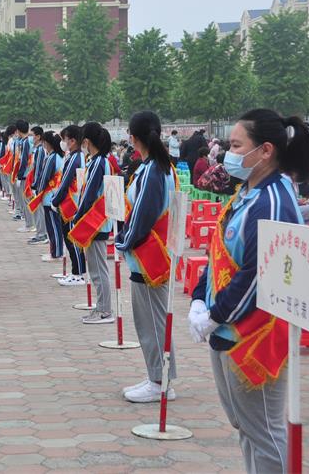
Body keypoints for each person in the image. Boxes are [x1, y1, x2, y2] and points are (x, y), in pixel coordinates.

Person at [188, 109, 309, 474]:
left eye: (236, 146)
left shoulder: (272, 201)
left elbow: (258, 274)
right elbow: (218, 249)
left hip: (253, 335)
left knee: (265, 433)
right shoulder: (247, 192)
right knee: (247, 427)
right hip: (227, 329)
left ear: (265, 151)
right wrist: (199, 297)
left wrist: (214, 315)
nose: (228, 154)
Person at [115, 111, 178, 403]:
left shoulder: (154, 170)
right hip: (150, 254)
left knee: (152, 323)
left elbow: (142, 216)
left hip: (148, 256)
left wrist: (123, 242)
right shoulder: (157, 167)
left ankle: (159, 381)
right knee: (154, 321)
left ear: (133, 137)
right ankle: (158, 375)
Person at [70, 123, 115, 323]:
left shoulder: (99, 163)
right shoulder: (97, 161)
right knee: (97, 269)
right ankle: (101, 307)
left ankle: (104, 310)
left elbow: (89, 195)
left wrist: (77, 217)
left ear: (87, 141)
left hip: (95, 222)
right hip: (95, 222)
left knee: (98, 270)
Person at [51, 125, 88, 285]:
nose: (63, 142)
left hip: (71, 204)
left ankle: (78, 274)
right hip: (70, 202)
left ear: (72, 141)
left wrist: (55, 201)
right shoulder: (74, 156)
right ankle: (75, 272)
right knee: (69, 240)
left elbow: (65, 182)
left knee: (72, 240)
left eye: (65, 139)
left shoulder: (75, 158)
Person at [32, 131, 64, 263]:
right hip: (54, 195)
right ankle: (54, 251)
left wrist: (37, 190)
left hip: (49, 196)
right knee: (53, 226)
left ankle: (56, 253)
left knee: (53, 227)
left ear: (48, 143)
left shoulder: (52, 158)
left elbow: (44, 177)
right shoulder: (58, 156)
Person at [27, 127, 48, 245]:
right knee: (38, 210)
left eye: (33, 135)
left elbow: (39, 169)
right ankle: (40, 232)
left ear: (39, 136)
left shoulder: (40, 150)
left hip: (38, 185)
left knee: (39, 211)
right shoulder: (38, 149)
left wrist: (35, 185)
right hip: (38, 184)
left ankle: (41, 234)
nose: (31, 138)